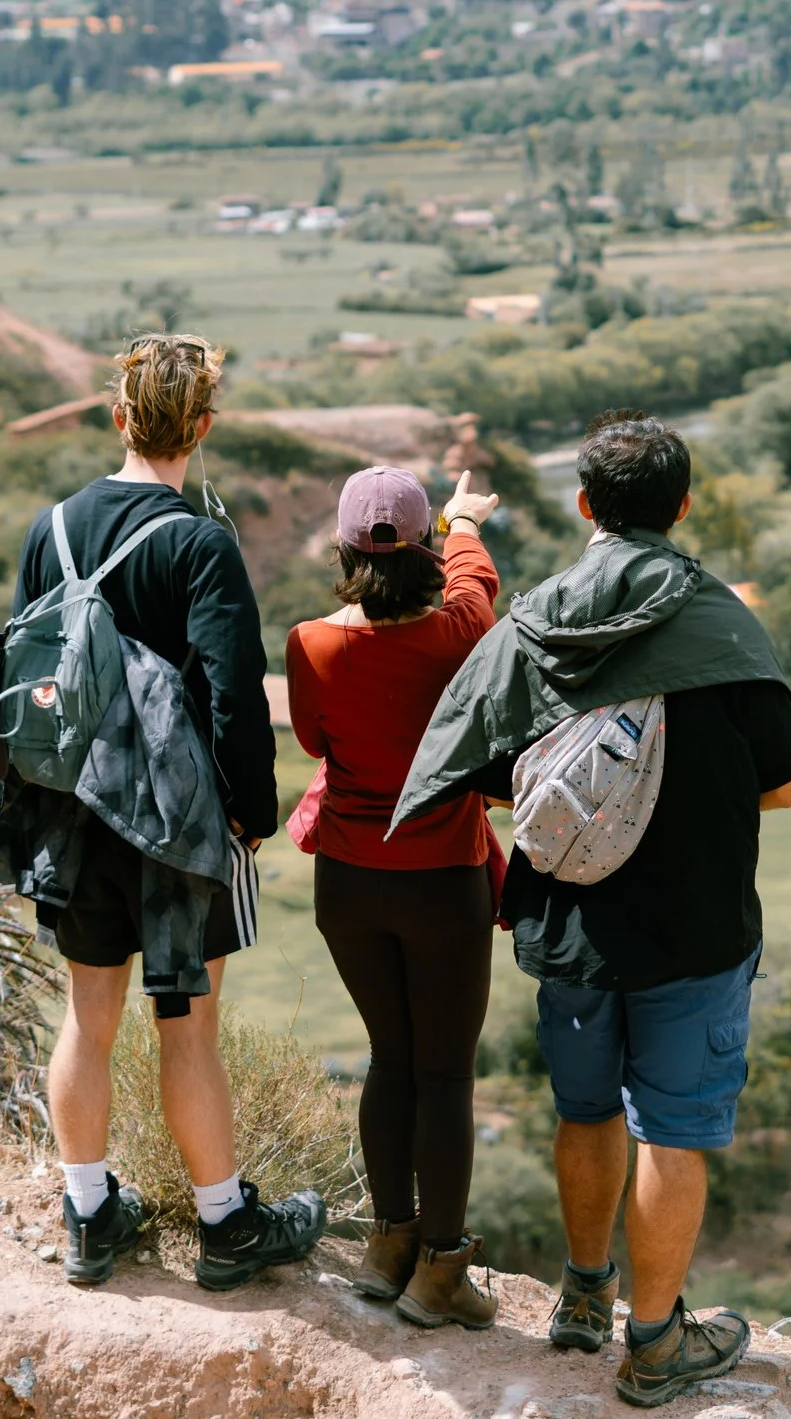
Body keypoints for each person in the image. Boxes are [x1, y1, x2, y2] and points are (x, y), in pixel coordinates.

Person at [391, 411, 791, 1409]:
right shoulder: (721, 619)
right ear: (684, 504)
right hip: (698, 926)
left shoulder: (533, 624)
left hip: (567, 921)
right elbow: (785, 784)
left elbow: (483, 771)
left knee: (583, 1108)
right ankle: (655, 1343)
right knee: (675, 1130)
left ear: (585, 505)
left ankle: (584, 1294)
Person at [11, 334, 326, 1290]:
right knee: (186, 1022)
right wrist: (251, 813)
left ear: (118, 417)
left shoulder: (51, 528)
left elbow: (31, 674)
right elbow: (235, 694)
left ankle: (89, 1213)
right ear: (202, 426)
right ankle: (226, 1225)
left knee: (88, 1016)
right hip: (180, 825)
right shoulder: (200, 541)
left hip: (73, 814)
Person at [285, 464, 505, 1329]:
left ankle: (388, 1244)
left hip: (347, 881)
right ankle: (441, 1272)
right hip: (442, 883)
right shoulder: (460, 632)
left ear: (343, 547)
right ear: (422, 547)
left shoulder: (309, 643)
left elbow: (310, 736)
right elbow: (475, 577)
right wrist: (464, 518)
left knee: (390, 1058)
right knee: (446, 1074)